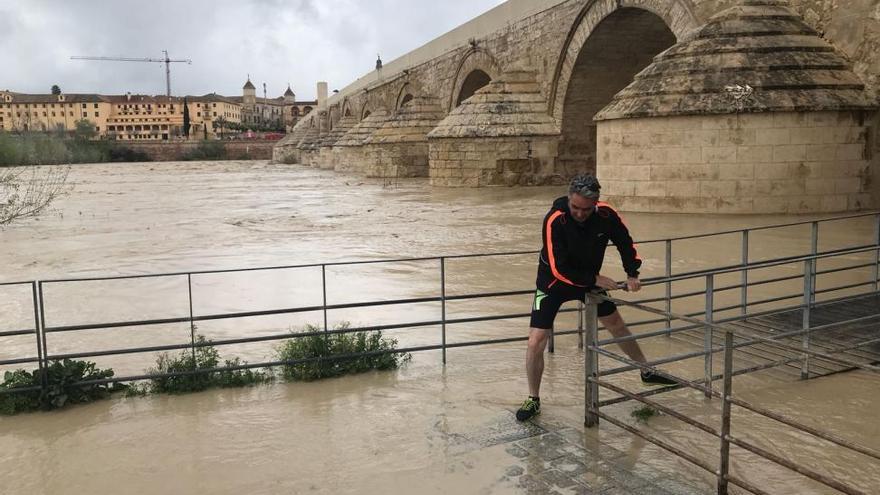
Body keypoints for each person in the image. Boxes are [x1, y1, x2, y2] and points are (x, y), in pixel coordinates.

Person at [516, 173, 675, 422]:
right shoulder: (555, 219)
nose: (580, 213)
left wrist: (632, 272)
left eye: (586, 210)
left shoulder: (605, 215)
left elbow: (624, 241)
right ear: (569, 199)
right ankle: (533, 399)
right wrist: (594, 279)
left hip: (589, 281)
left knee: (616, 324)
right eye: (575, 207)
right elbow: (558, 267)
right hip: (553, 282)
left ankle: (646, 371)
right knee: (536, 340)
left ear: (596, 204)